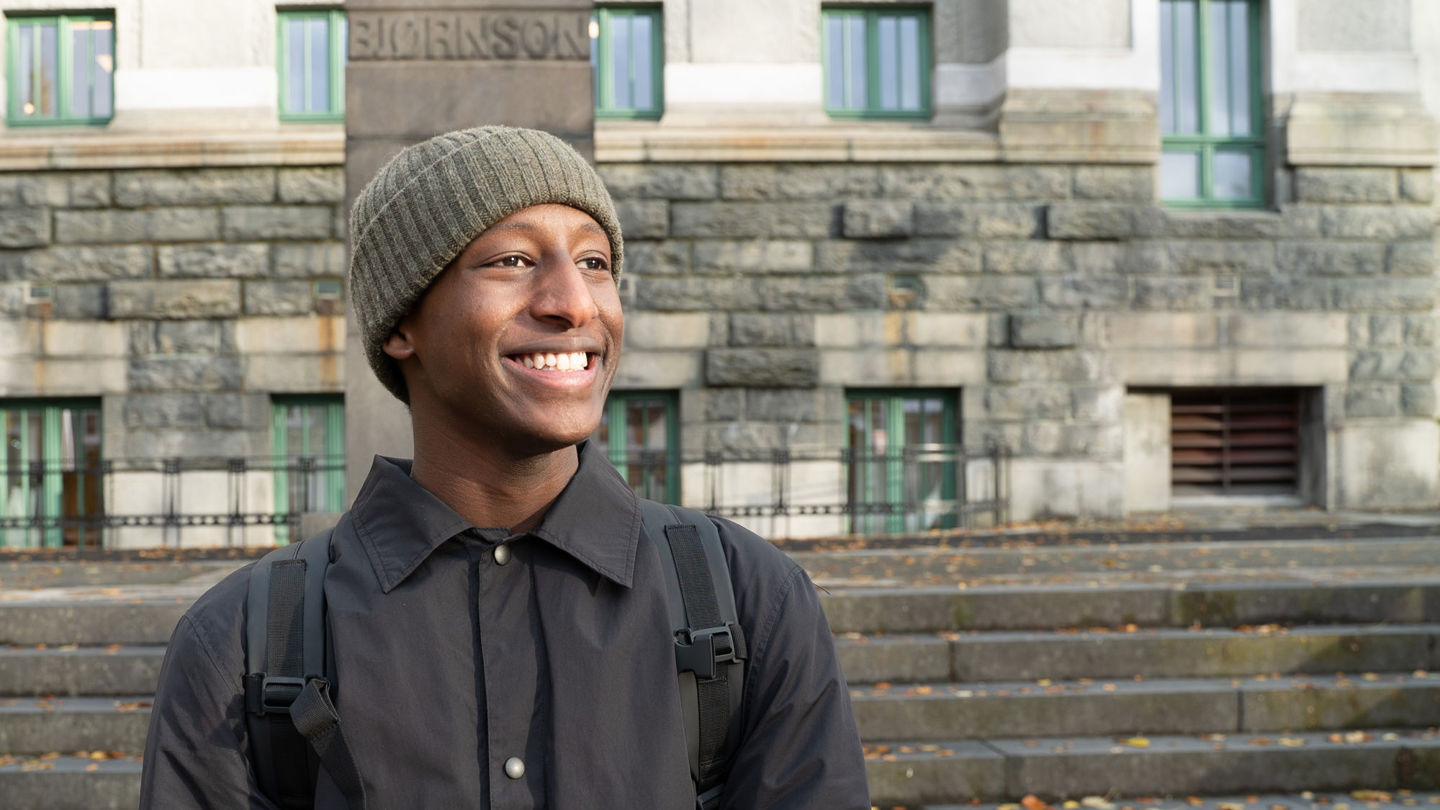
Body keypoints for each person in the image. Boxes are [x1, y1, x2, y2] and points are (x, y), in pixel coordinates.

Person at [139, 126, 870, 809]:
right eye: (513, 261)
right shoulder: (239, 645)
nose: (574, 302)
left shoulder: (752, 603)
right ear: (401, 324)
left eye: (595, 263)